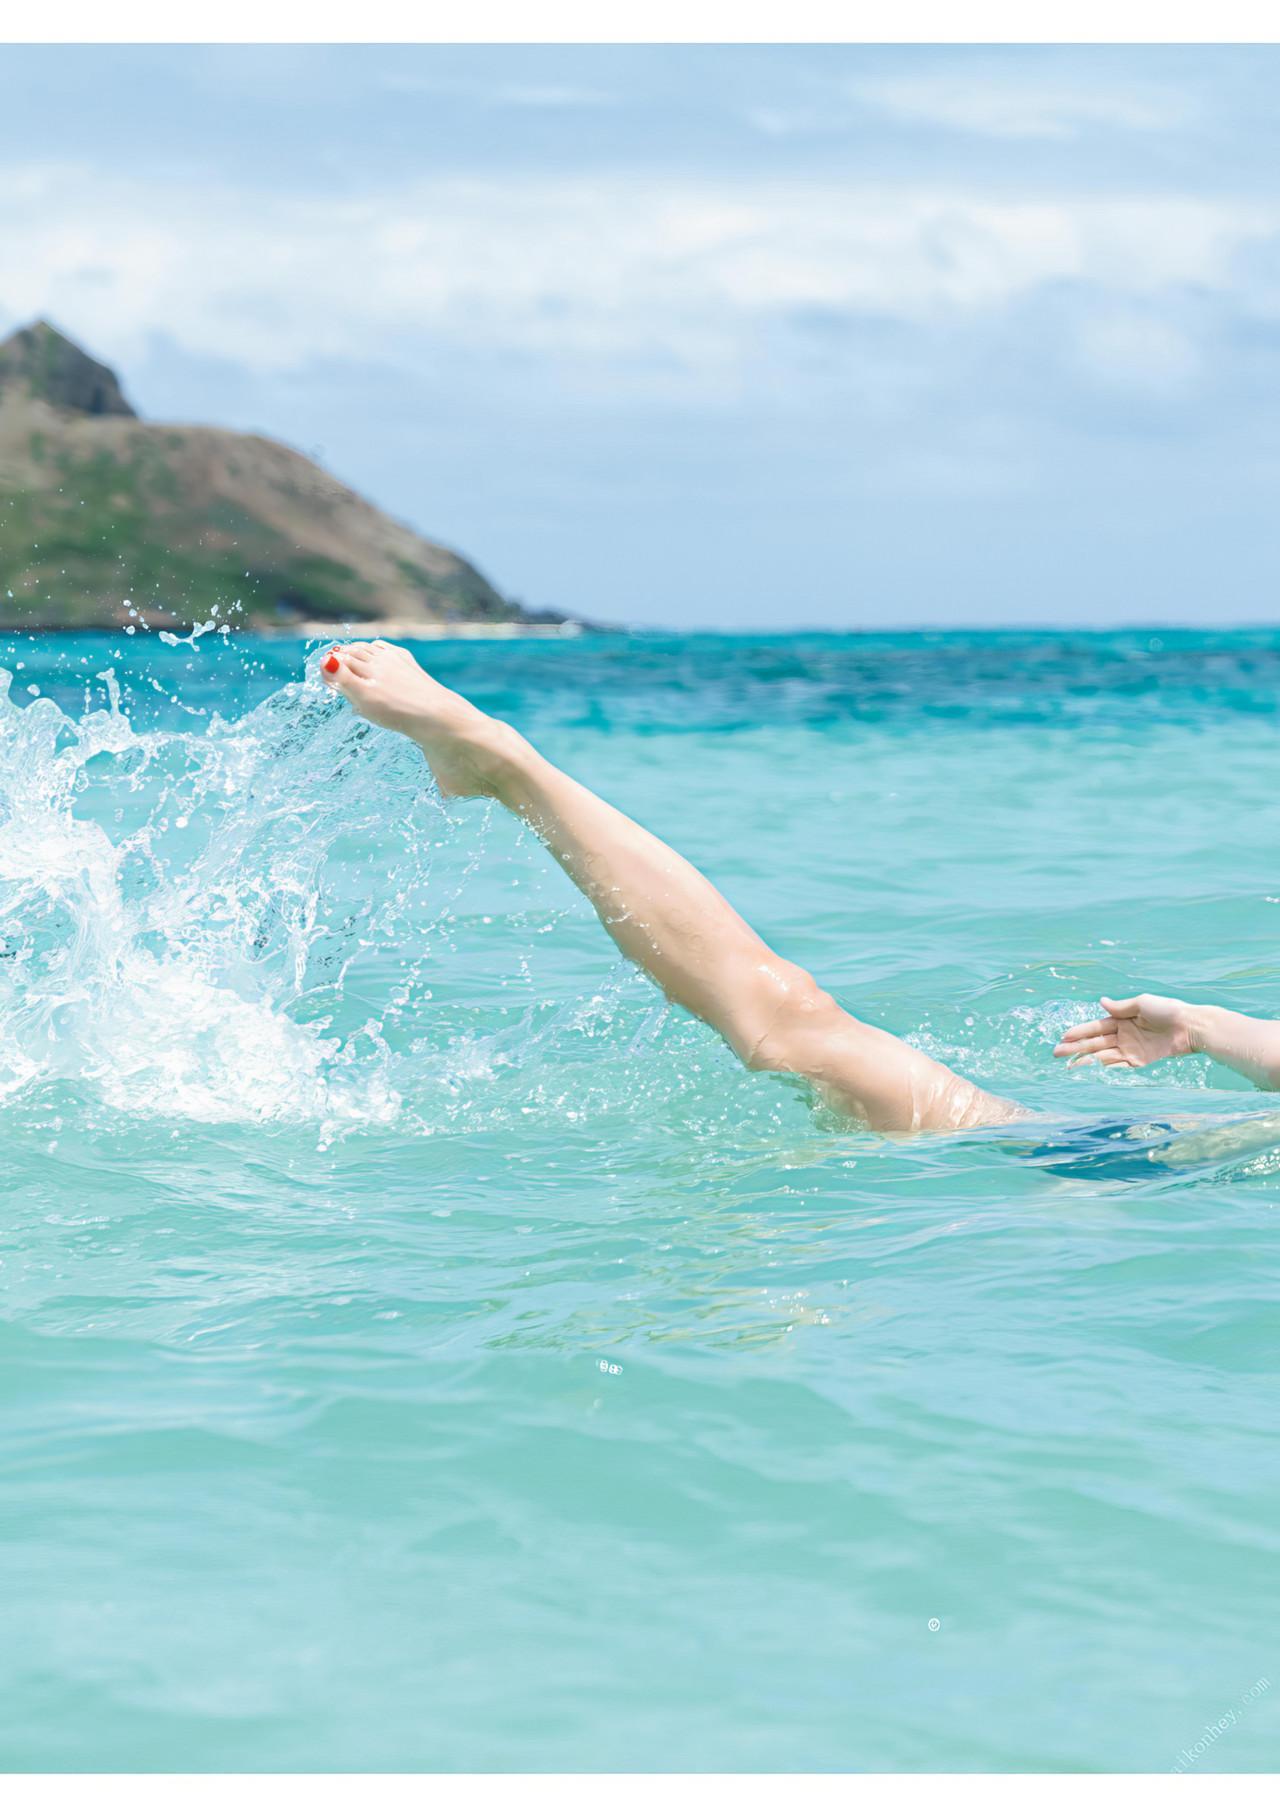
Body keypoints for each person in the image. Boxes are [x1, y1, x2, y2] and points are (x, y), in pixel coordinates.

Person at [320, 640, 1022, 1135]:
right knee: (795, 1023)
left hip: (1079, 1154)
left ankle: (501, 763)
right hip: (1088, 1150)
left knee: (793, 1026)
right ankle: (497, 762)